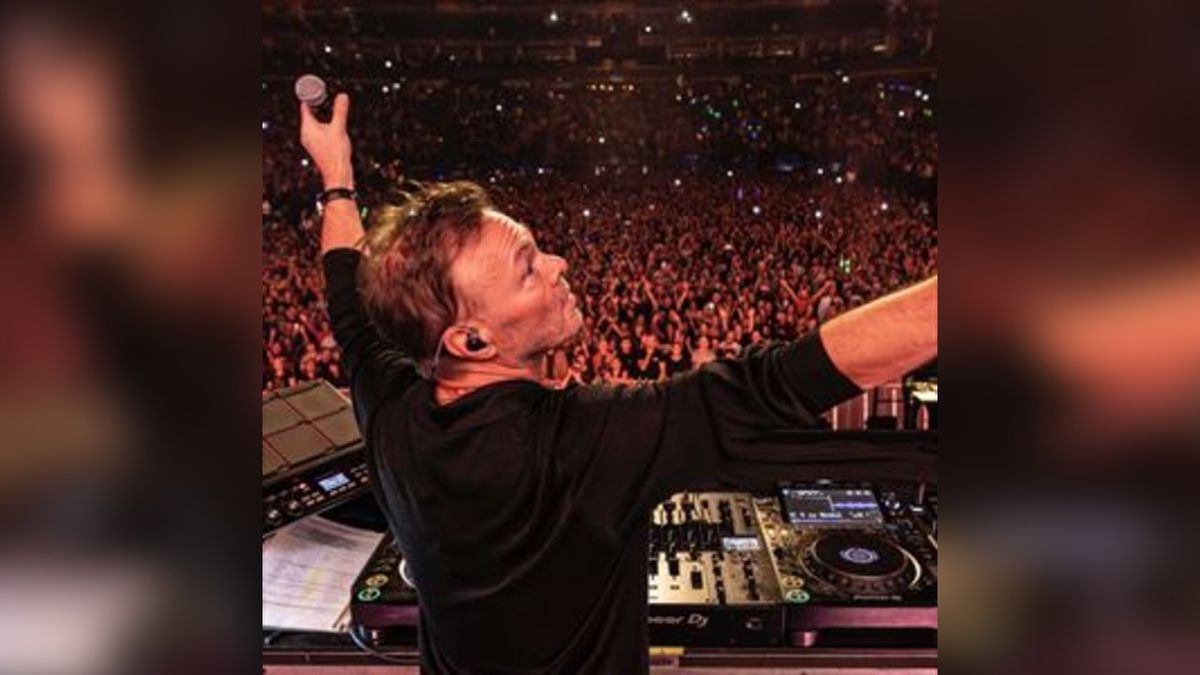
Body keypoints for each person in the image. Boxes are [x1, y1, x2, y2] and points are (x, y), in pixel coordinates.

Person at [300, 94, 937, 674]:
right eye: (528, 270)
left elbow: (344, 283)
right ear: (472, 341)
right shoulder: (584, 442)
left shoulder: (389, 411)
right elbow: (779, 381)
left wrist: (336, 175)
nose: (558, 264)